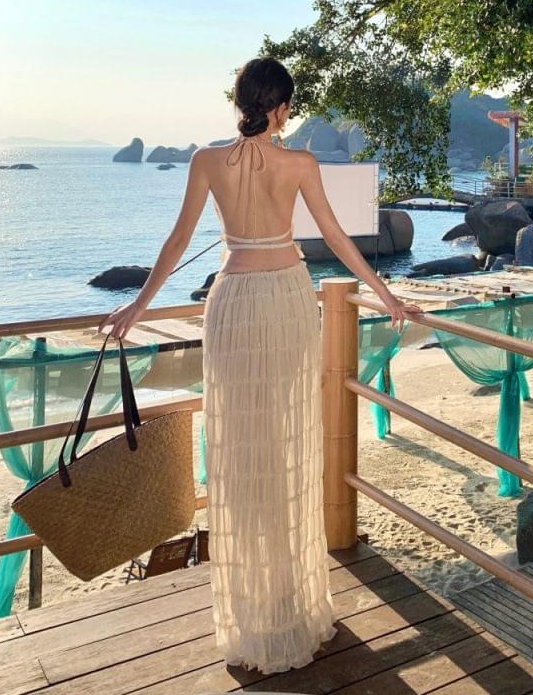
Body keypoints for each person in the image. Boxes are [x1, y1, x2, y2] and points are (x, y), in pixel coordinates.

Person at [98, 56, 422, 674]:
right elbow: (337, 238)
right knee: (284, 443)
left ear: (240, 102)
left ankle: (254, 608)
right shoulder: (299, 163)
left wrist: (138, 308)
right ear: (282, 108)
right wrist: (387, 297)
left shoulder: (205, 160)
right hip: (286, 301)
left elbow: (175, 241)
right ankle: (287, 601)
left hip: (232, 302)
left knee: (241, 446)